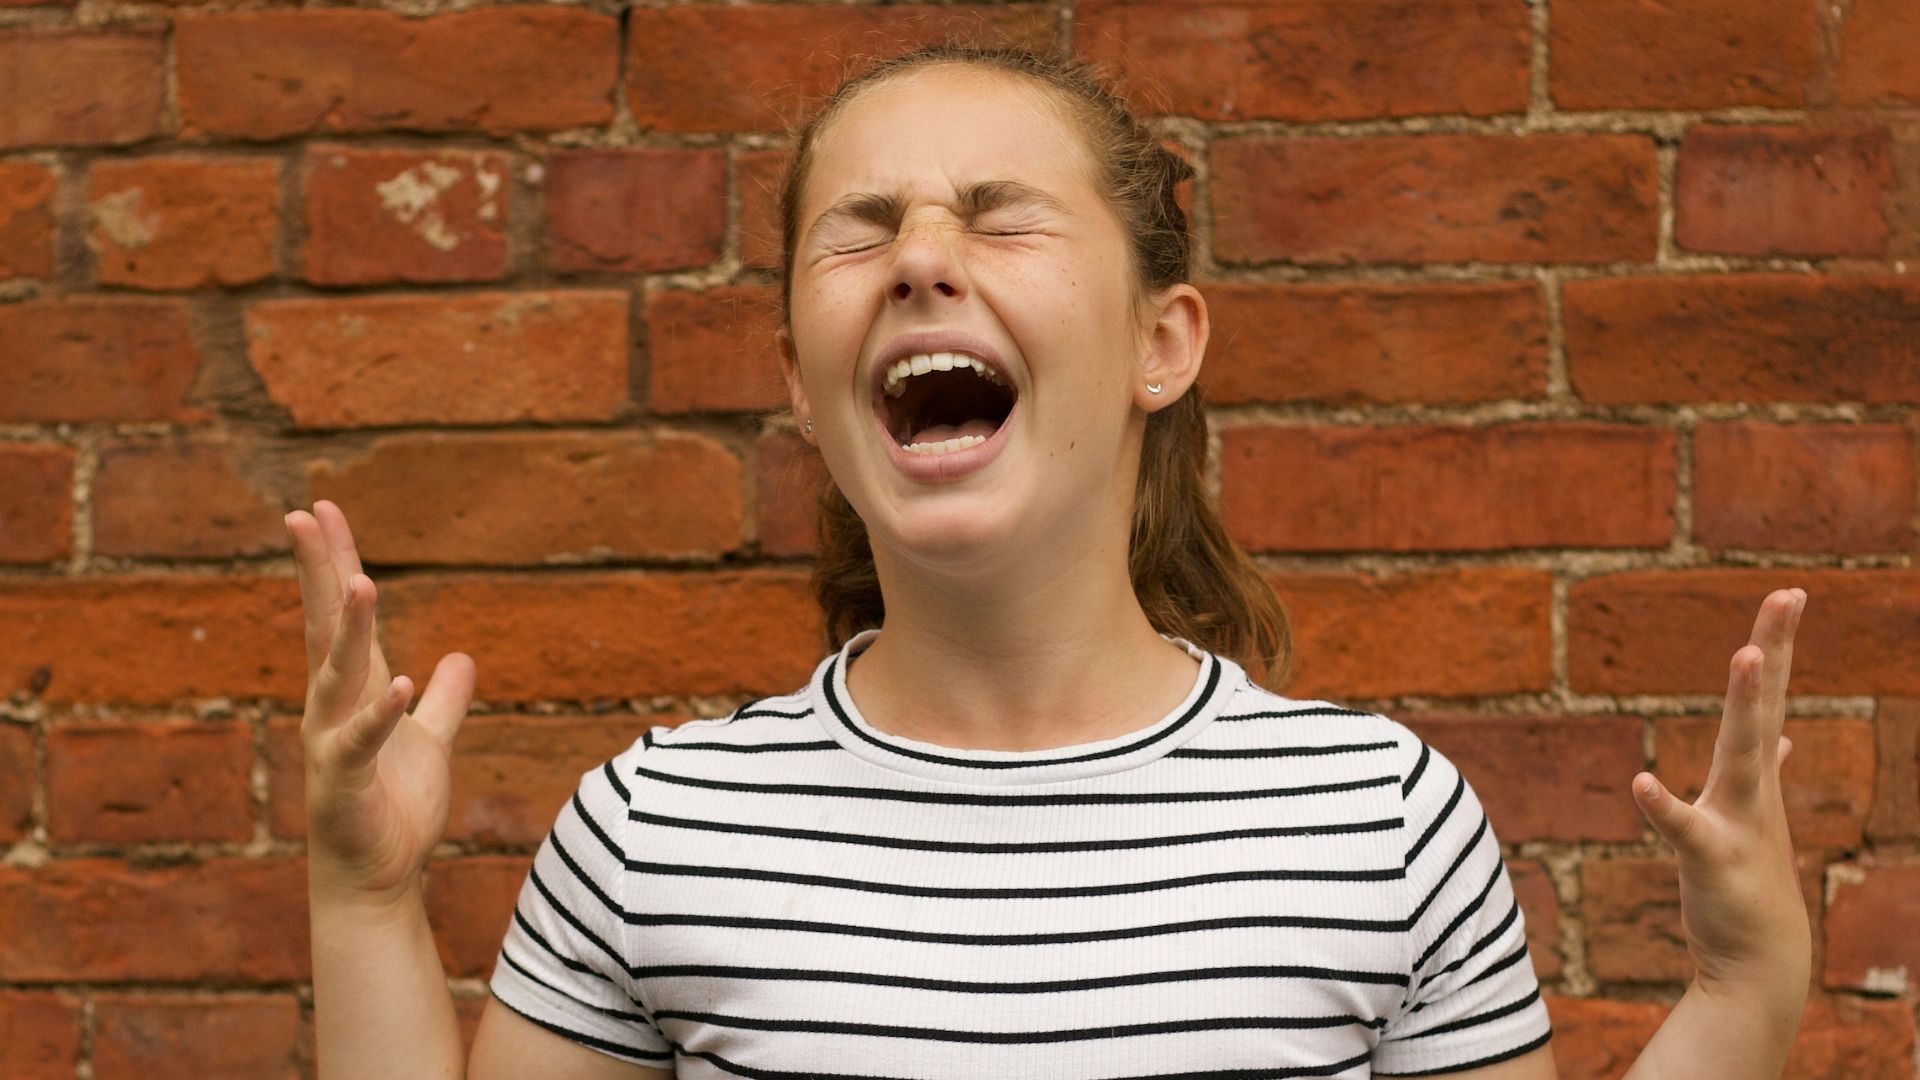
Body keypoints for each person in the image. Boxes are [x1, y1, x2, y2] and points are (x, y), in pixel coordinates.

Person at [287, 41, 1812, 1080]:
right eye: (863, 227)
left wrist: (1743, 994)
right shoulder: (651, 833)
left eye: (1001, 218)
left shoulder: (1380, 824)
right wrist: (360, 899)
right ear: (801, 387)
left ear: (1164, 342)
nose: (921, 257)